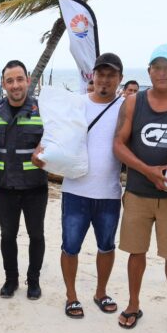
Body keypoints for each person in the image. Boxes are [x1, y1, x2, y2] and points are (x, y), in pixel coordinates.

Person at [113, 44, 167, 333]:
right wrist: (147, 171)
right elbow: (118, 144)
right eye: (156, 67)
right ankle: (133, 303)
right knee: (135, 253)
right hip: (138, 192)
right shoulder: (134, 103)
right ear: (149, 70)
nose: (162, 73)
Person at [52, 53, 124, 318]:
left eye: (111, 75)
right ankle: (71, 296)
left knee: (106, 246)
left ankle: (100, 292)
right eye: (100, 74)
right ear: (92, 76)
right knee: (70, 246)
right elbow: (55, 133)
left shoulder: (125, 106)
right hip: (75, 192)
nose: (105, 80)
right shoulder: (77, 104)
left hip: (109, 193)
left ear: (120, 79)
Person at [0, 60, 46, 300]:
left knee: (36, 235)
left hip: (35, 187)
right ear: (3, 84)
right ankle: (10, 280)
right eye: (10, 80)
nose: (15, 85)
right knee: (7, 236)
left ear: (28, 80)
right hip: (5, 187)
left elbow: (59, 139)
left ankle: (33, 281)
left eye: (19, 79)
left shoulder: (41, 110)